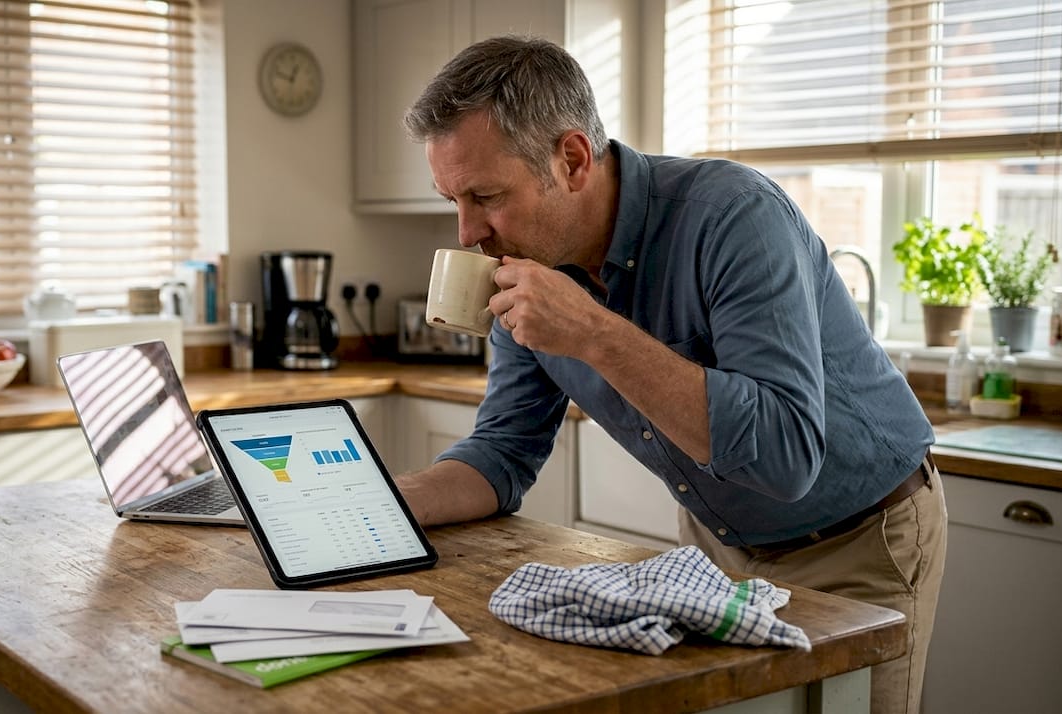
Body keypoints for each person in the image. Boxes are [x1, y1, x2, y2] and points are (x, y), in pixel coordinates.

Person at [396, 36, 946, 714]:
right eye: (451, 198)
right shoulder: (529, 265)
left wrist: (594, 333)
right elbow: (502, 452)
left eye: (484, 195)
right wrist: (389, 504)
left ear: (570, 159)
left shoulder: (733, 216)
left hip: (860, 539)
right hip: (714, 549)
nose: (466, 232)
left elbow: (784, 456)